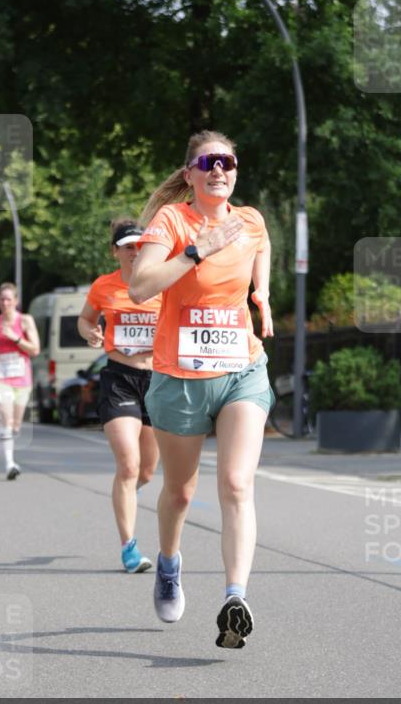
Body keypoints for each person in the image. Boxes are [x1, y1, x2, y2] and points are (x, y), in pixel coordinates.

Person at [129, 130, 274, 649]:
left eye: (227, 161)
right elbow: (141, 286)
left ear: (236, 170)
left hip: (241, 370)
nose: (219, 170)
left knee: (236, 484)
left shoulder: (249, 220)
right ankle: (169, 563)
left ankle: (235, 598)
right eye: (207, 162)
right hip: (180, 378)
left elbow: (263, 245)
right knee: (180, 491)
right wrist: (196, 250)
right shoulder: (172, 222)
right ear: (189, 173)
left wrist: (263, 295)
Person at [78, 220, 163, 574]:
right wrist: (90, 333)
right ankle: (129, 548)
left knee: (147, 469)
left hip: (158, 380)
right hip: (119, 378)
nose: (134, 251)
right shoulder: (104, 286)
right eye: (127, 246)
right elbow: (85, 319)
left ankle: (128, 493)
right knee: (128, 466)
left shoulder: (162, 282)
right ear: (115, 251)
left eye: (139, 245)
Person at [0, 282, 40, 480]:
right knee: (6, 418)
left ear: (16, 301)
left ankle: (5, 440)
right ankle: (9, 464)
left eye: (9, 299)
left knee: (15, 425)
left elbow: (35, 350)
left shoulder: (25, 321)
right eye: (2, 299)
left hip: (22, 378)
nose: (5, 302)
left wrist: (16, 338)